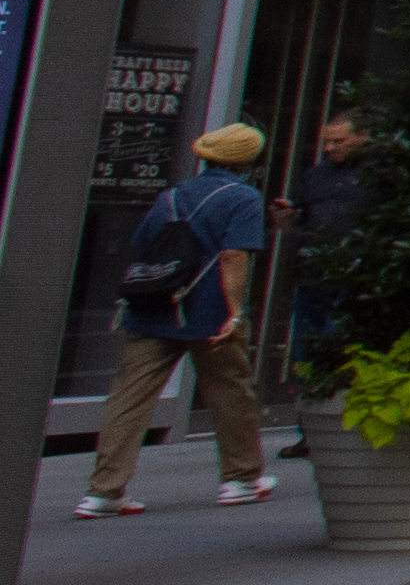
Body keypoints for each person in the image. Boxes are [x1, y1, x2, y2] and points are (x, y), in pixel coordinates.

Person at [84, 123, 277, 514]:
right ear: (247, 160)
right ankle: (240, 478)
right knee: (229, 391)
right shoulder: (243, 198)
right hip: (208, 312)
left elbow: (143, 243)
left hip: (153, 306)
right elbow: (234, 256)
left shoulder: (170, 196)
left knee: (129, 398)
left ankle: (103, 491)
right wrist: (235, 311)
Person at [277, 107, 372, 459]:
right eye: (326, 142)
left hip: (356, 277)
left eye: (339, 141)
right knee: (307, 353)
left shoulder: (380, 177)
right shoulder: (315, 177)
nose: (331, 148)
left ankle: (345, 425)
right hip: (314, 276)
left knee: (341, 347)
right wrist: (288, 221)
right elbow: (300, 216)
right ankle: (311, 430)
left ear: (363, 137)